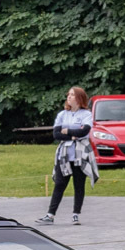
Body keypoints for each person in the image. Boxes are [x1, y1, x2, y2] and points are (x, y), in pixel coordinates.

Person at [39, 86, 99, 225]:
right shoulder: (62, 114)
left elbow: (84, 131)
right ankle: (50, 215)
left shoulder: (86, 114)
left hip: (80, 155)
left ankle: (76, 214)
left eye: (72, 95)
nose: (69, 97)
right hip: (65, 154)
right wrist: (72, 135)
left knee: (79, 185)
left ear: (79, 98)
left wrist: (67, 131)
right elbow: (56, 134)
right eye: (68, 94)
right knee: (60, 183)